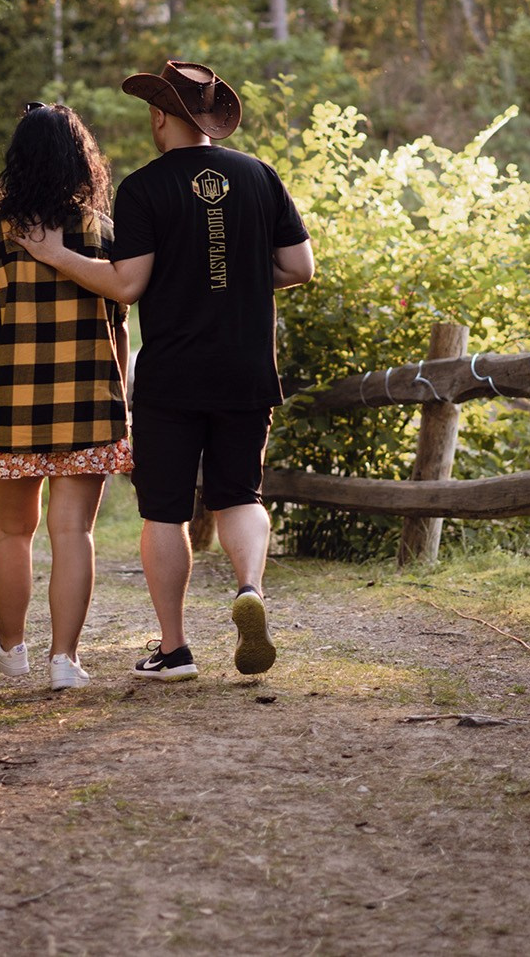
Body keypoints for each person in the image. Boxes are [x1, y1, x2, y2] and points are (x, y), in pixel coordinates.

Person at [19, 62, 314, 681]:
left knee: (165, 511)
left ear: (159, 116)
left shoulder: (143, 188)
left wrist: (56, 254)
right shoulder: (259, 175)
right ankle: (250, 589)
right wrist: (236, 272)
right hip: (245, 368)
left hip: (173, 376)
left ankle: (175, 649)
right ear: (210, 119)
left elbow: (127, 285)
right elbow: (299, 266)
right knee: (240, 495)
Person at [0, 103, 133, 691]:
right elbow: (120, 320)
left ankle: (12, 649)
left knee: (13, 532)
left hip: (11, 406)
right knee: (73, 532)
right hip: (90, 402)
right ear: (80, 159)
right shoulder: (102, 231)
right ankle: (65, 660)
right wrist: (120, 393)